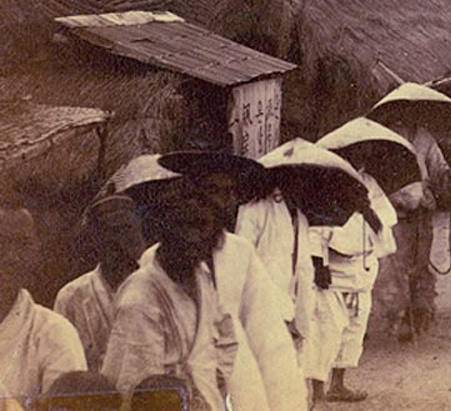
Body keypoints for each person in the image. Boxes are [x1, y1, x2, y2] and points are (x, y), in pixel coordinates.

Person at [151, 153, 307, 411]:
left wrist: (286, 402)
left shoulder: (240, 253)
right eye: (212, 190)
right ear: (192, 194)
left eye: (228, 192)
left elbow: (267, 333)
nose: (221, 201)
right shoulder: (160, 259)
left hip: (238, 378)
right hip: (179, 382)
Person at [102, 180, 238, 410]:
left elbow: (226, 335)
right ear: (165, 231)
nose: (194, 239)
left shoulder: (201, 275)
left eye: (202, 228)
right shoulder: (140, 299)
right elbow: (135, 386)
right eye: (185, 228)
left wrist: (211, 378)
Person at [306, 172, 396, 404]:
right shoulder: (327, 181)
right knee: (327, 329)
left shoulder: (370, 182)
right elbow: (315, 229)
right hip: (334, 268)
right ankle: (317, 392)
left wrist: (365, 209)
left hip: (362, 267)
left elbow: (384, 222)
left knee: (354, 329)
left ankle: (337, 384)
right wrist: (319, 265)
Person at [0, 205, 87, 406]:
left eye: (23, 244)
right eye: (1, 243)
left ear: (37, 252)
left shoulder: (54, 332)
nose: (11, 256)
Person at [53, 196, 146, 372]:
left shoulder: (157, 286)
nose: (121, 244)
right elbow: (65, 365)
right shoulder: (72, 297)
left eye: (128, 231)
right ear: (95, 241)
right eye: (112, 233)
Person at [235, 173, 315, 364]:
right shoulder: (254, 209)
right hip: (261, 298)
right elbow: (241, 257)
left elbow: (303, 266)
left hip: (290, 300)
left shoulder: (299, 217)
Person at [380, 121, 449, 342]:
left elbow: (439, 170)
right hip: (397, 211)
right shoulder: (388, 139)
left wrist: (434, 186)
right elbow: (380, 174)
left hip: (422, 211)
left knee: (421, 262)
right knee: (398, 264)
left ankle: (419, 313)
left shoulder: (426, 139)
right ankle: (399, 317)